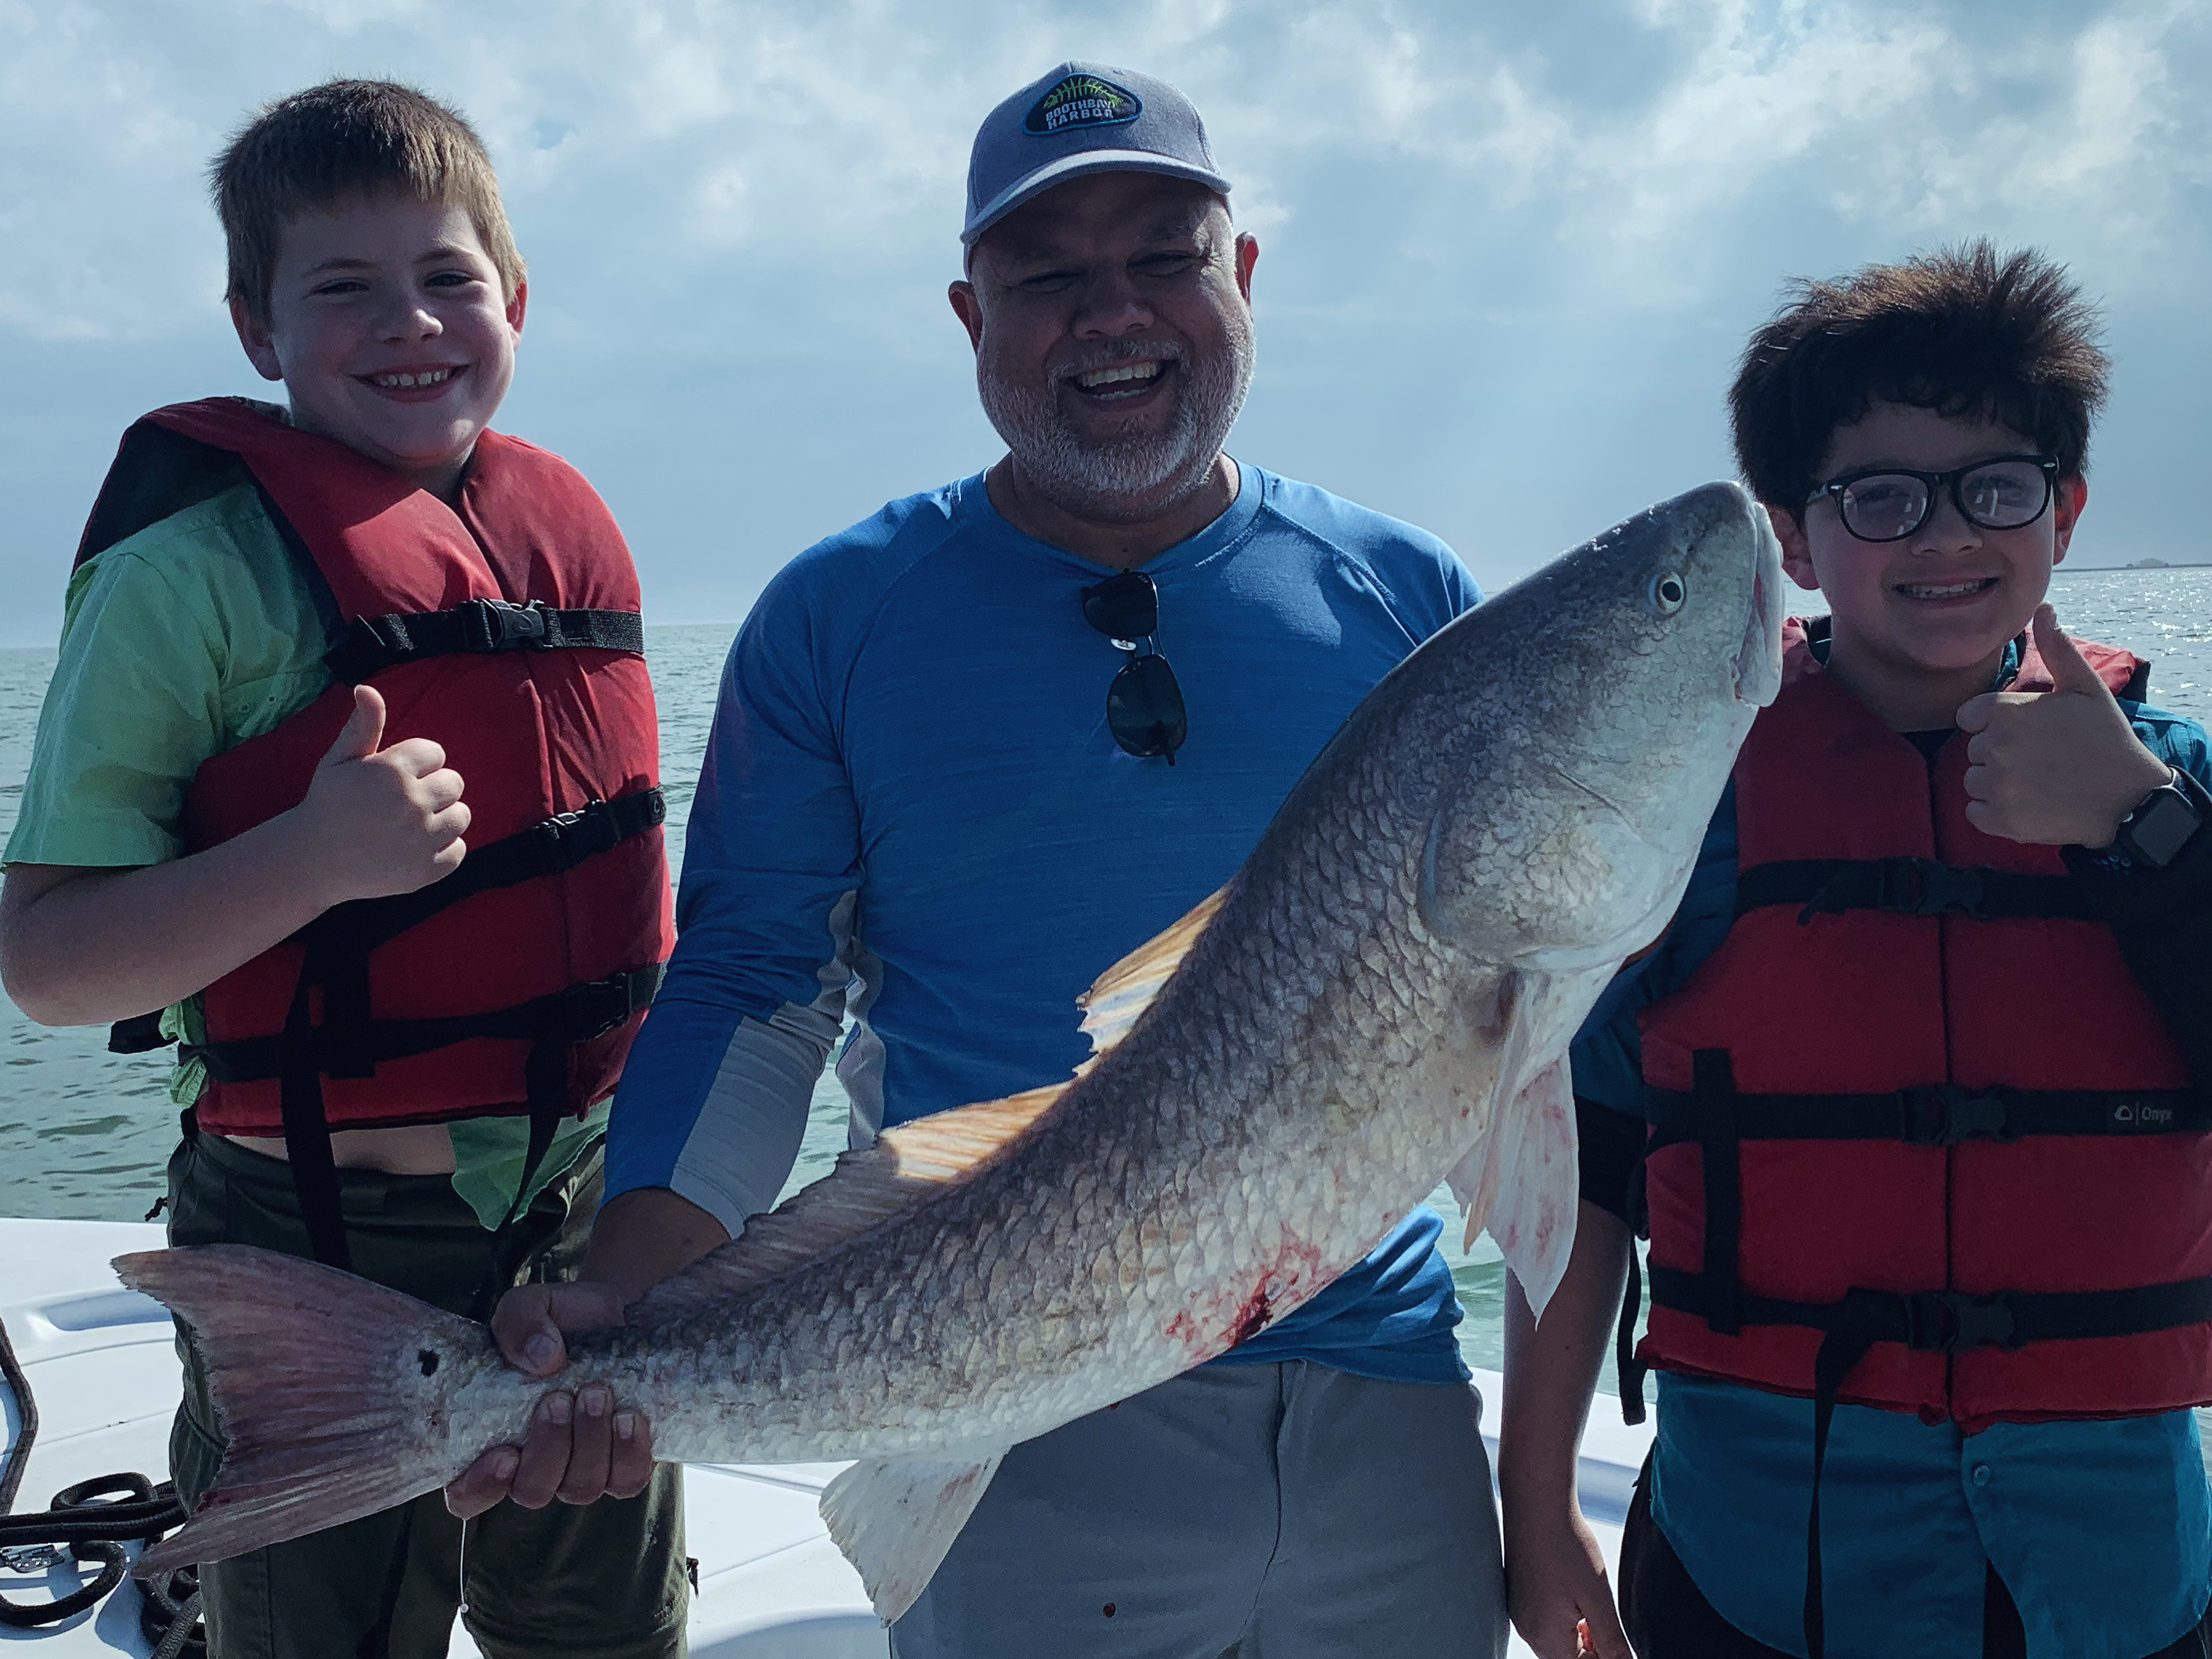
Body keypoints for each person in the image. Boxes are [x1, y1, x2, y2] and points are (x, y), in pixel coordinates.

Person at [453, 60, 1511, 1658]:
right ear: (968, 313)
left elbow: (1531, 996)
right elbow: (757, 985)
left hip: (1386, 1386)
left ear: (1244, 275)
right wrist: (636, 1294)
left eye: (1165, 255)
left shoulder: (1405, 589)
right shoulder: (840, 613)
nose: (1116, 314)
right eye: (1049, 276)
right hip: (996, 1389)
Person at [0, 81, 688, 1659]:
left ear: (513, 300)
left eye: (449, 278)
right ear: (256, 329)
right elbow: (46, 963)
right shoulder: (185, 586)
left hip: (579, 1230)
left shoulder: (566, 534)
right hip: (315, 1240)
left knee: (602, 1634)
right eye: (343, 289)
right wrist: (312, 858)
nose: (411, 324)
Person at [1503, 242, 2212, 1659]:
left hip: (2116, 1586)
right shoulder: (1691, 804)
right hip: (1761, 1570)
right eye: (1880, 498)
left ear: (2065, 513)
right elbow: (1581, 1163)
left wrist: (2141, 830)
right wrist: (1535, 1495)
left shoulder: (2173, 785)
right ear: (1789, 534)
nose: (1943, 538)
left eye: (1994, 489)